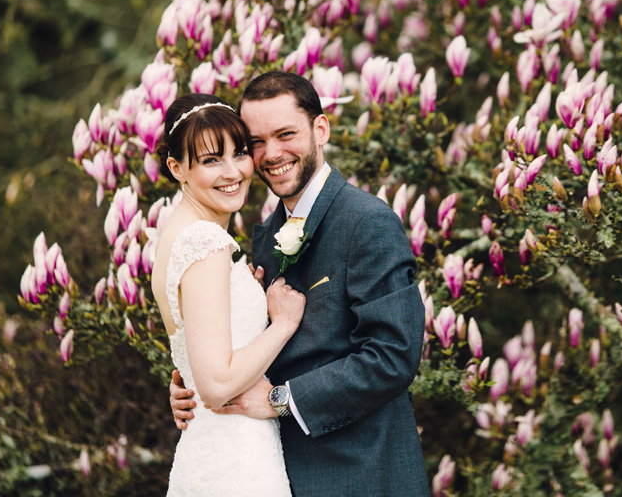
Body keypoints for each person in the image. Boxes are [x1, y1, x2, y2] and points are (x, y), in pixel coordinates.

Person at [170, 72, 430, 496]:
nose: (272, 153)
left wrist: (282, 400)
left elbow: (393, 355)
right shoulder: (264, 234)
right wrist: (195, 381)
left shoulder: (367, 222)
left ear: (320, 129)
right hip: (277, 473)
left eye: (286, 134)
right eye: (256, 142)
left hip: (360, 475)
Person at [150, 92, 306, 496]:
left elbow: (200, 355)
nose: (233, 171)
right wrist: (284, 323)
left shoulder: (179, 234)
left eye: (239, 152)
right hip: (236, 460)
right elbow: (217, 385)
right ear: (176, 168)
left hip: (216, 449)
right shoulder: (204, 241)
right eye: (210, 160)